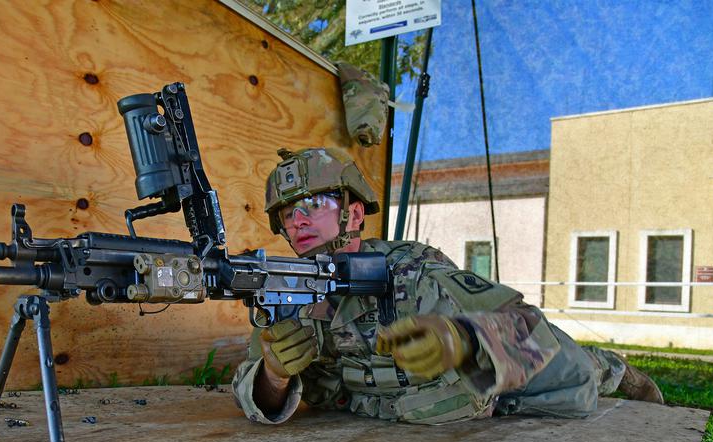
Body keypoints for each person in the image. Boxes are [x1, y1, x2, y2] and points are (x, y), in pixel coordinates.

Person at [231, 147, 664, 425]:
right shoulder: (288, 293)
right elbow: (252, 389)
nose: (299, 220)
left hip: (495, 388)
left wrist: (462, 339)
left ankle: (614, 367)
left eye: (313, 204)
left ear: (355, 215)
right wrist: (273, 374)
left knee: (575, 380)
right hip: (420, 419)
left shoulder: (414, 272)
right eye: (288, 214)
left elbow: (528, 332)